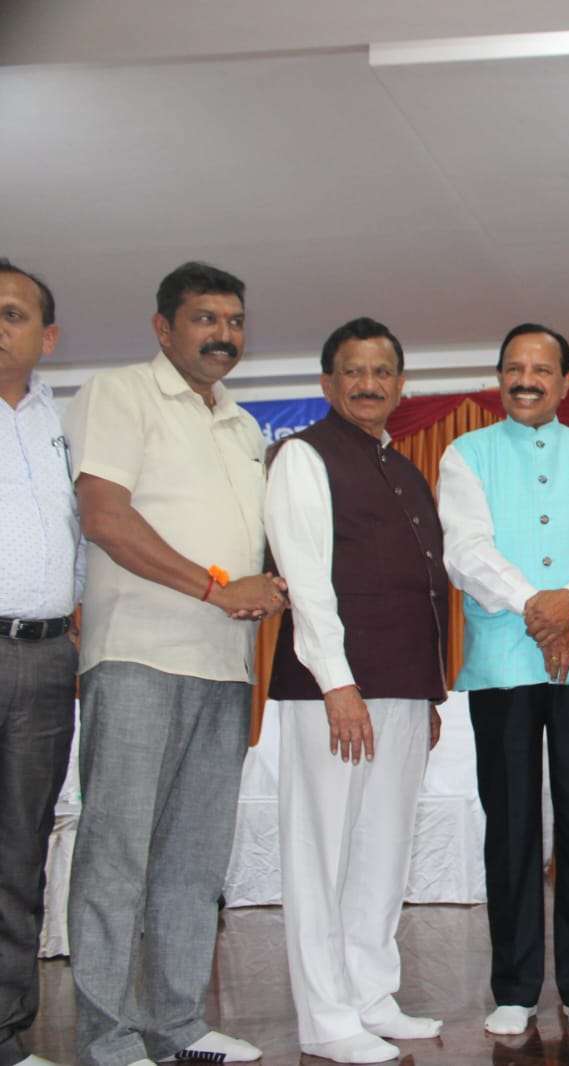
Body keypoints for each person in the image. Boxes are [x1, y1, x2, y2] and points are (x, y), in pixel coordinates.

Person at [65, 261, 286, 1066]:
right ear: (164, 328)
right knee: (116, 854)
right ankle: (106, 1038)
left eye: (234, 320)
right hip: (138, 657)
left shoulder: (242, 424)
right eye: (204, 318)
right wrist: (219, 589)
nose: (223, 334)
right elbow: (105, 518)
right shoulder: (119, 393)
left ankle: (178, 1025)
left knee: (195, 860)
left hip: (225, 668)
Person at [438, 323, 569, 1037]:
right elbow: (466, 551)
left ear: (565, 383)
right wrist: (538, 606)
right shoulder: (465, 454)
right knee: (512, 826)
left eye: (541, 369)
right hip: (504, 662)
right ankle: (515, 987)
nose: (526, 380)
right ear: (499, 377)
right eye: (514, 368)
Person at [264, 317, 449, 1063]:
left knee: (382, 847)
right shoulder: (303, 457)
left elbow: (423, 588)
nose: (368, 384)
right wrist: (337, 685)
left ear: (400, 385)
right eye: (353, 371)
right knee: (323, 853)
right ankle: (326, 1017)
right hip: (332, 690)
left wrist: (427, 695)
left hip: (403, 688)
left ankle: (371, 994)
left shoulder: (403, 469)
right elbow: (306, 581)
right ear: (327, 383)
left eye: (381, 372)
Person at [0, 260, 81, 1066]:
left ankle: (7, 1032)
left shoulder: (66, 424)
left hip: (48, 657)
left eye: (13, 314)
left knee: (21, 853)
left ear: (47, 336)